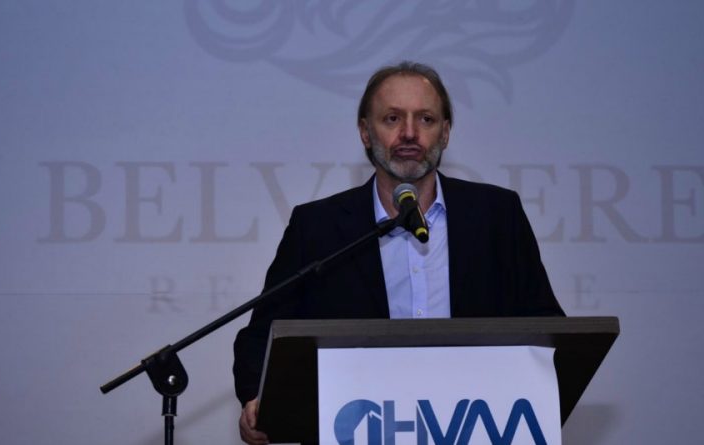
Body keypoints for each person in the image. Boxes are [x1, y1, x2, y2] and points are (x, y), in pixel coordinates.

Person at [233, 61, 565, 444]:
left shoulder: (497, 215)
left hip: (476, 427)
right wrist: (257, 397)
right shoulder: (317, 227)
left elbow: (545, 325)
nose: (409, 133)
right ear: (365, 131)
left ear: (445, 132)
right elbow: (263, 335)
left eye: (426, 119)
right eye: (392, 118)